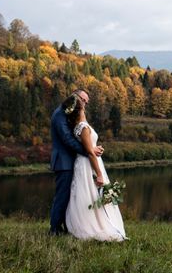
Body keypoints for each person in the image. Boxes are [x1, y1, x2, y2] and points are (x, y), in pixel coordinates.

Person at [64, 92, 126, 241]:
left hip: (88, 160)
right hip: (87, 164)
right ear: (80, 110)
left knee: (88, 194)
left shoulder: (80, 126)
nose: (86, 105)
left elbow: (89, 148)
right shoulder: (83, 127)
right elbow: (89, 153)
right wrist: (98, 174)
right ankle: (91, 226)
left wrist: (95, 148)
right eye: (84, 104)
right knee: (89, 193)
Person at [49, 90, 103, 236]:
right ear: (74, 96)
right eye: (83, 100)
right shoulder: (59, 114)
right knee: (62, 196)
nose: (85, 104)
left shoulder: (68, 114)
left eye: (86, 102)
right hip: (63, 162)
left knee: (71, 197)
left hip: (71, 161)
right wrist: (89, 151)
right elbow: (67, 140)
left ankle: (68, 227)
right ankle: (54, 230)